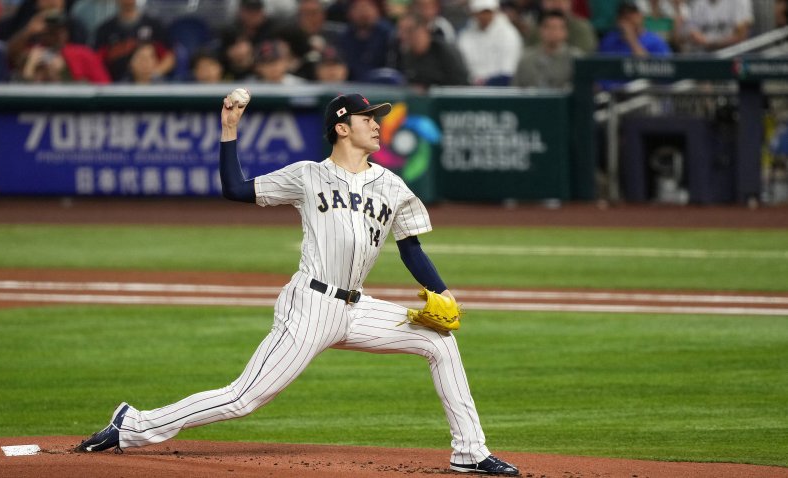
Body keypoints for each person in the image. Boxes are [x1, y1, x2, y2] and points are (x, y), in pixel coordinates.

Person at [75, 90, 521, 477]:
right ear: (342, 127)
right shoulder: (308, 174)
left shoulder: (393, 185)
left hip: (356, 308)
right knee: (243, 398)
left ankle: (470, 453)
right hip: (310, 305)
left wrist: (441, 291)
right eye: (368, 118)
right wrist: (229, 128)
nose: (377, 124)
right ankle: (132, 424)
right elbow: (235, 188)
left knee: (440, 342)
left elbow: (411, 250)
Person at [14, 11, 109, 83]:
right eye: (51, 31)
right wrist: (30, 69)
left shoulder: (83, 54)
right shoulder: (31, 53)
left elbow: (103, 90)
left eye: (60, 30)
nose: (56, 35)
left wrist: (63, 71)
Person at [93, 0, 173, 82]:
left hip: (151, 85)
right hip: (115, 86)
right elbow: (95, 62)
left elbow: (169, 57)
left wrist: (154, 73)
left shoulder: (154, 25)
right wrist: (106, 84)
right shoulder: (105, 30)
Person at [391, 12, 468, 90]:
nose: (402, 36)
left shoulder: (445, 52)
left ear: (422, 29)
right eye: (400, 30)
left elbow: (462, 86)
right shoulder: (405, 55)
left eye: (408, 30)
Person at [457, 0, 523, 85]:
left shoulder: (508, 34)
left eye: (487, 12)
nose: (484, 16)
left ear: (495, 11)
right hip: (470, 87)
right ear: (473, 13)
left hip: (500, 89)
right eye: (480, 12)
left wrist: (485, 83)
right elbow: (461, 67)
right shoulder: (466, 35)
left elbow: (509, 72)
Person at [512, 9, 583, 88]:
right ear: (540, 30)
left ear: (566, 32)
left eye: (558, 28)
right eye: (548, 27)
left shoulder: (576, 58)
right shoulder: (526, 59)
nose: (553, 31)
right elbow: (515, 90)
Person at [598, 1, 671, 57]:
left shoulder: (655, 41)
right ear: (618, 20)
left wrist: (632, 40)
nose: (629, 18)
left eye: (632, 14)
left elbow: (656, 69)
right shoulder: (609, 40)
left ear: (640, 16)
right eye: (624, 16)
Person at [681, 0, 753, 53]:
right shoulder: (697, 3)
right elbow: (690, 33)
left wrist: (710, 43)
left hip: (732, 57)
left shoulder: (740, 1)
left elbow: (741, 36)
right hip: (703, 57)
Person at [528, 0, 596, 53]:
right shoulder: (535, 29)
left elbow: (585, 57)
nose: (557, 5)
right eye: (552, 1)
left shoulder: (582, 28)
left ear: (570, 3)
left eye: (562, 1)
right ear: (543, 3)